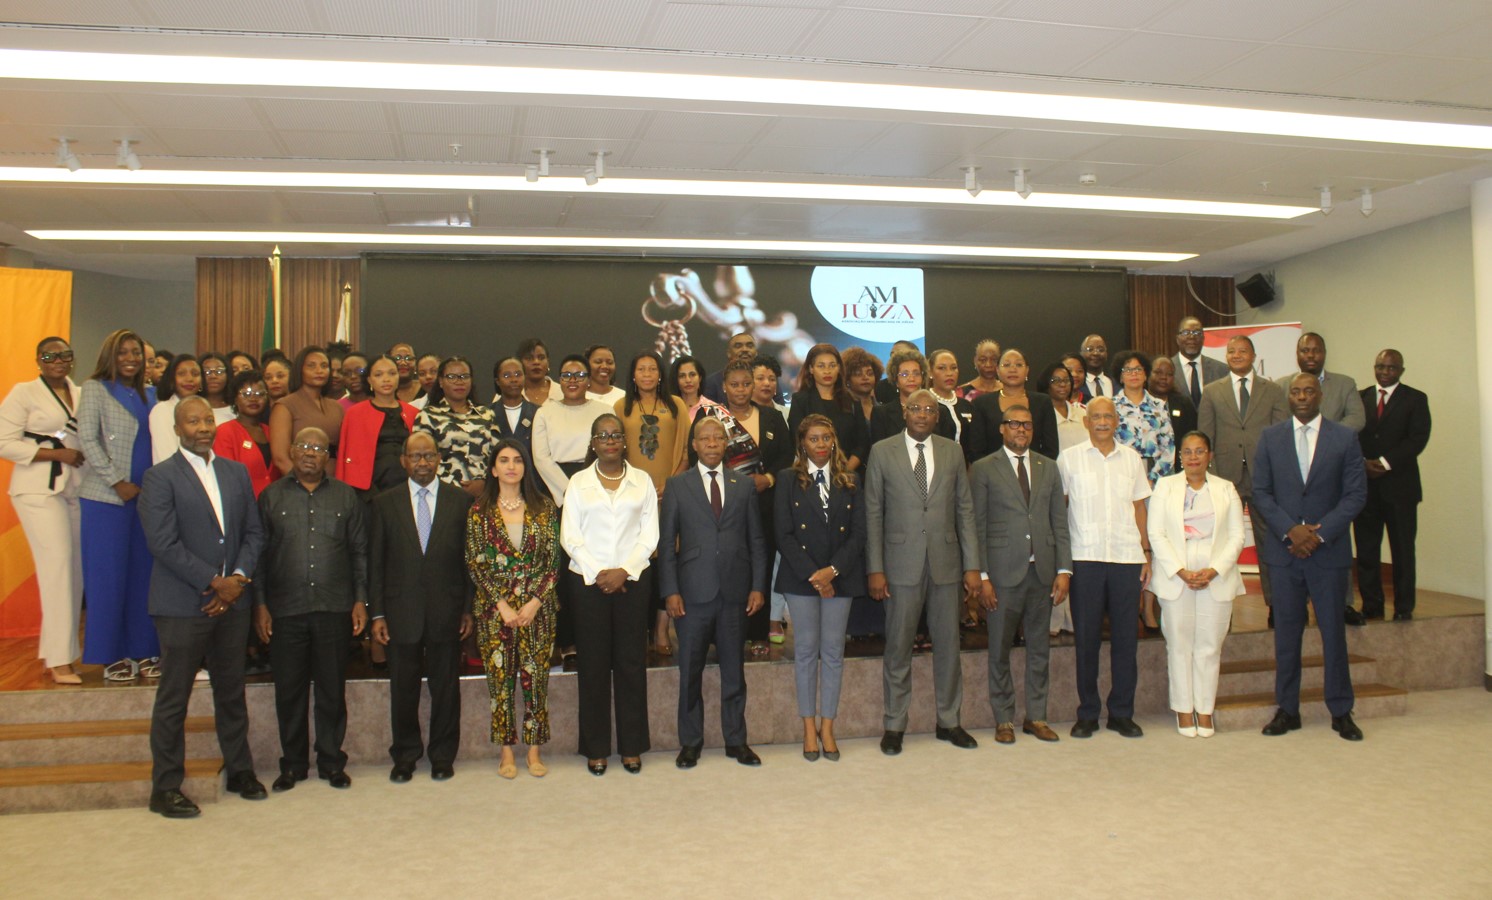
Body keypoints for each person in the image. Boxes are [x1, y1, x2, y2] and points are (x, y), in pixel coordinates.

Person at [139, 397, 267, 817]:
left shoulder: (235, 472)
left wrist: (237, 580)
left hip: (233, 602)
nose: (202, 427)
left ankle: (241, 770)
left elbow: (254, 533)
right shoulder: (159, 478)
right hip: (182, 604)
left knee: (231, 690)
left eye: (208, 419)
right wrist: (214, 583)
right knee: (174, 697)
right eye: (192, 421)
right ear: (178, 429)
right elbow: (163, 543)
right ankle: (166, 787)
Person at [865, 389, 982, 755]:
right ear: (905, 412)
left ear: (937, 416)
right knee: (898, 647)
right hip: (899, 565)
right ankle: (895, 725)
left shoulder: (952, 450)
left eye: (929, 409)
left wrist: (973, 565)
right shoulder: (881, 451)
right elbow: (873, 513)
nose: (922, 414)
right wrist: (876, 568)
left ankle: (950, 721)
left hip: (946, 564)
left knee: (948, 646)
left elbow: (965, 510)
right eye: (915, 408)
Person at [1253, 373, 1368, 741]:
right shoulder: (1270, 438)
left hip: (1327, 552)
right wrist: (1292, 530)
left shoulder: (1344, 438)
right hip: (1285, 553)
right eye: (1296, 392)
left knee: (1334, 634)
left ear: (1320, 396)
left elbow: (1355, 495)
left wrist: (1318, 533)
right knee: (1287, 635)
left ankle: (1341, 710)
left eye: (1308, 391)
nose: (1301, 397)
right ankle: (1288, 709)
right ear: (1289, 397)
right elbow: (1261, 492)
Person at [252, 427, 367, 791]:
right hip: (285, 611)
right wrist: (261, 605)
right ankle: (293, 765)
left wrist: (361, 600)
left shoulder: (347, 498)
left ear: (327, 457)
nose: (310, 453)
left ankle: (332, 762)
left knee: (332, 690)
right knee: (289, 691)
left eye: (318, 448)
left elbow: (359, 553)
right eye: (303, 446)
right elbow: (259, 558)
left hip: (334, 608)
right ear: (291, 450)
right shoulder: (271, 497)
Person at [661, 416, 769, 769]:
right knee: (690, 671)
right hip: (692, 593)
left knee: (734, 672)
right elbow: (666, 545)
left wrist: (757, 586)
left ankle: (736, 741)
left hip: (736, 591)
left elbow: (756, 539)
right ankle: (690, 743)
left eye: (717, 438)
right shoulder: (677, 486)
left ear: (726, 444)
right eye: (704, 438)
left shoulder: (743, 485)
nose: (711, 443)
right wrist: (670, 591)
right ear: (693, 445)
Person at [369, 432, 475, 782]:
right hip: (401, 612)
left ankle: (443, 756)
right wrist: (378, 613)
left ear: (439, 459)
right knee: (403, 688)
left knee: (446, 687)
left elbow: (468, 562)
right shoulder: (385, 503)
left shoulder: (460, 502)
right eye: (415, 457)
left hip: (447, 610)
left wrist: (468, 608)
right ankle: (405, 756)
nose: (423, 463)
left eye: (429, 456)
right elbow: (376, 564)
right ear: (404, 461)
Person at [561, 413, 659, 776]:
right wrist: (599, 573)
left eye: (615, 434)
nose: (610, 440)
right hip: (588, 583)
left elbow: (650, 535)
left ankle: (632, 746)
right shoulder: (578, 482)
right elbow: (570, 536)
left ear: (624, 441)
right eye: (602, 435)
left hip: (632, 582)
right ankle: (596, 747)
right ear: (593, 442)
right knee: (594, 665)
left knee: (632, 663)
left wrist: (624, 571)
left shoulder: (642, 481)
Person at [970, 403, 1071, 745]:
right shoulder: (984, 469)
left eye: (1027, 425)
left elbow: (1059, 521)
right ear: (1002, 428)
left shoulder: (1049, 467)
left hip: (1042, 572)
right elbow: (976, 526)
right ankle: (1004, 720)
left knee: (1040, 649)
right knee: (999, 649)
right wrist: (982, 576)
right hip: (1001, 575)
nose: (1022, 430)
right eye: (1014, 424)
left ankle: (1037, 717)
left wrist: (1063, 569)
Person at [1057, 397, 1152, 739]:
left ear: (1116, 421)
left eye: (1107, 416)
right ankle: (1088, 713)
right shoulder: (1069, 460)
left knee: (1127, 640)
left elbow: (1140, 507)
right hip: (1085, 558)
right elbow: (1059, 511)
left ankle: (1122, 713)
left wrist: (1145, 550)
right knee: (1086, 640)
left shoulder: (1132, 459)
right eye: (1095, 416)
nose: (1101, 422)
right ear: (1086, 422)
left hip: (1127, 558)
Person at [467, 438, 560, 779]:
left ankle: (534, 750)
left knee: (536, 681)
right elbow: (476, 564)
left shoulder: (544, 508)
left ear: (525, 467)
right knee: (500, 682)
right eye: (503, 460)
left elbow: (553, 563)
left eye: (517, 460)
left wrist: (535, 602)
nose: (511, 466)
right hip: (496, 613)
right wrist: (502, 605)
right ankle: (506, 752)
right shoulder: (479, 512)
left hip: (538, 610)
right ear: (493, 469)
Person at [774, 414, 864, 761]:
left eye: (827, 438)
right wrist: (815, 575)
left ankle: (828, 725)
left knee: (833, 654)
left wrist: (832, 571)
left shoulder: (850, 479)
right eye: (814, 439)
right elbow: (783, 533)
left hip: (840, 576)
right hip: (801, 579)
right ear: (802, 444)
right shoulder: (787, 479)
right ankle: (808, 727)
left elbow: (858, 533)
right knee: (806, 652)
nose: (821, 445)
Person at [689, 359, 792, 655]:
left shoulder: (772, 418)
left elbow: (786, 457)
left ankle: (759, 631)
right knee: (724, 566)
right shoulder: (710, 418)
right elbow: (695, 454)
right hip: (720, 506)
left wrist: (769, 478)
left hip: (763, 505)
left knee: (760, 564)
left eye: (747, 384)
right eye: (734, 384)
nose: (741, 390)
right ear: (724, 387)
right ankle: (719, 634)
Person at [1147, 431, 1245, 738]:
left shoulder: (1226, 488)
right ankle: (1184, 708)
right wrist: (1180, 570)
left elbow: (1237, 536)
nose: (1193, 457)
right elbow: (1156, 533)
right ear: (1180, 457)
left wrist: (1214, 570)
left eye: (1199, 451)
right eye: (1187, 452)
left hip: (1216, 576)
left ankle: (1205, 708)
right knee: (1179, 645)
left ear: (1209, 455)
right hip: (1177, 576)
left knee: (1209, 645)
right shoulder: (1166, 486)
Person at [0, 337, 86, 684]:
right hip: (37, 488)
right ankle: (58, 659)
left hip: (74, 486)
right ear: (38, 360)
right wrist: (55, 455)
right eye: (50, 355)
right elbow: (3, 441)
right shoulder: (24, 392)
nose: (58, 361)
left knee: (74, 570)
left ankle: (62, 652)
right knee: (58, 565)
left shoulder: (80, 392)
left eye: (65, 355)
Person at [77, 329, 159, 682]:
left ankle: (144, 650)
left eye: (136, 353)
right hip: (107, 499)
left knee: (144, 577)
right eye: (123, 352)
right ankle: (111, 655)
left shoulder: (152, 394)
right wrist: (116, 481)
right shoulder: (95, 388)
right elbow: (87, 439)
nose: (131, 358)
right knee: (108, 578)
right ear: (110, 355)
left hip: (146, 499)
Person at [1197, 336, 1289, 612]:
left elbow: (1281, 434)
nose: (1236, 355)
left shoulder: (1272, 390)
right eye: (1231, 351)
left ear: (1253, 355)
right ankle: (1220, 608)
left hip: (1264, 477)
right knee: (1221, 543)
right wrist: (1209, 474)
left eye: (1242, 351)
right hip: (1225, 477)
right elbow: (1205, 436)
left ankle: (1277, 605)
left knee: (1269, 542)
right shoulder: (1212, 391)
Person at [1353, 349, 1431, 623]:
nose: (1385, 372)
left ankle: (1403, 607)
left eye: (1391, 368)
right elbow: (1350, 434)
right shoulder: (1360, 397)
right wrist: (1363, 463)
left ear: (1401, 370)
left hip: (1400, 489)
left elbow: (1417, 439)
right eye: (1380, 367)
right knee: (1366, 550)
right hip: (1365, 487)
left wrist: (1384, 463)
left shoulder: (1416, 399)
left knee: (1402, 551)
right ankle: (1372, 605)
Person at [415, 356, 499, 500]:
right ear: (441, 382)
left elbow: (497, 455)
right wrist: (455, 486)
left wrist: (485, 483)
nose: (459, 382)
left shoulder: (487, 415)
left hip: (484, 495)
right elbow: (422, 458)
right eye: (452, 377)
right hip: (443, 494)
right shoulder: (427, 416)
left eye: (464, 376)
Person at [338, 355, 419, 496]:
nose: (386, 379)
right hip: (367, 491)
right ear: (369, 380)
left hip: (409, 489)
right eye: (378, 374)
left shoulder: (414, 413)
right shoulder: (355, 413)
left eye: (392, 373)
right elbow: (346, 457)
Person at [789, 343, 870, 472]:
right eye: (821, 366)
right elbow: (797, 441)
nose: (827, 371)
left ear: (839, 368)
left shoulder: (852, 401)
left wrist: (845, 471)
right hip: (812, 473)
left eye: (832, 365)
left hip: (848, 474)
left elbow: (862, 444)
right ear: (811, 369)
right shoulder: (801, 400)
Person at [968, 348, 1060, 461]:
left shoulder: (1042, 402)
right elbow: (976, 450)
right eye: (1006, 365)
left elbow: (1051, 448)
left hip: (1035, 472)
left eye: (1019, 364)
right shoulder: (981, 403)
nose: (1012, 369)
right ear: (997, 370)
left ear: (1027, 370)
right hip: (993, 473)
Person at [269, 346, 343, 477]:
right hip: (298, 486)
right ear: (299, 370)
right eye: (311, 366)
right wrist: (304, 486)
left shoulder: (336, 407)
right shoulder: (285, 405)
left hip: (334, 484)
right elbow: (280, 458)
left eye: (324, 366)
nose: (319, 371)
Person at [1274, 333, 1364, 432]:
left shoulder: (1345, 384)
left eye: (1316, 351)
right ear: (1297, 354)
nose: (1311, 355)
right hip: (1292, 444)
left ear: (1324, 353)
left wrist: (1326, 436)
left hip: (1333, 444)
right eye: (1305, 351)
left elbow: (1356, 419)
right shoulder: (1280, 386)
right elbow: (1276, 421)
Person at [1111, 350, 1176, 487]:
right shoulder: (1111, 407)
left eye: (1138, 369)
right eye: (1128, 370)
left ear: (1146, 375)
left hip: (1156, 474)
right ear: (1121, 377)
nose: (1134, 373)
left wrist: (1153, 478)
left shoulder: (1159, 406)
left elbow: (1168, 447)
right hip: (1121, 473)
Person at [212, 370, 276, 498]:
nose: (253, 398)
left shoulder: (271, 431)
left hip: (275, 506)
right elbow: (225, 477)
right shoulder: (224, 432)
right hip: (243, 504)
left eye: (260, 394)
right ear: (235, 398)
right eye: (246, 394)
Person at [147, 354, 201, 464]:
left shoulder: (205, 411)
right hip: (173, 478)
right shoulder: (162, 411)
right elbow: (166, 458)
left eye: (195, 374)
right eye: (182, 374)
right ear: (171, 380)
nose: (189, 379)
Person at [1148, 357, 1197, 470]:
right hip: (1147, 467)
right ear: (1148, 374)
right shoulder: (1140, 403)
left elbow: (1192, 437)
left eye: (1169, 374)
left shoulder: (1183, 404)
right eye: (1158, 372)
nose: (1164, 378)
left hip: (1177, 468)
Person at [927, 348, 976, 461]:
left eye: (953, 368)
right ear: (930, 372)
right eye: (942, 368)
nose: (949, 373)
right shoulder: (925, 405)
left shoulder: (967, 406)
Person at [1172, 316, 1228, 407]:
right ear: (1178, 339)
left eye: (1197, 332)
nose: (1192, 337)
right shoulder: (1167, 370)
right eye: (1186, 332)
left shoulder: (1222, 370)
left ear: (1203, 339)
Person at [490, 357, 538, 456]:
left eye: (518, 374)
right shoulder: (486, 414)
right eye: (507, 375)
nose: (514, 380)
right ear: (497, 381)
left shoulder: (538, 413)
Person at [1036, 361, 1087, 452]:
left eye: (1066, 380)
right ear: (1046, 384)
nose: (1062, 384)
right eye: (1056, 381)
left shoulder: (1082, 412)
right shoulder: (1040, 415)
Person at [701, 330, 757, 405]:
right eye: (738, 346)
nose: (745, 349)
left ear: (756, 353)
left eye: (749, 346)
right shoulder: (712, 383)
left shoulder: (767, 381)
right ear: (729, 353)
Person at [671, 354, 719, 423]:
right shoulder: (669, 407)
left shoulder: (713, 408)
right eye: (682, 376)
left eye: (692, 375)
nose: (688, 380)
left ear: (700, 378)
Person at [841, 346, 882, 427]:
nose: (865, 377)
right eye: (858, 374)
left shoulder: (882, 409)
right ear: (847, 379)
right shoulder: (843, 409)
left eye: (870, 373)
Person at [517, 337, 563, 405]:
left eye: (541, 358)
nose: (536, 362)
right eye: (529, 358)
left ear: (548, 362)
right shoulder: (508, 395)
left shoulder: (562, 392)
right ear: (520, 363)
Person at [198, 352, 235, 425]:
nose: (213, 376)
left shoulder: (237, 409)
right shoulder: (190, 407)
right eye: (207, 372)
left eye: (219, 371)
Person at [1076, 334, 1112, 402]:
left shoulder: (1117, 384)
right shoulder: (1076, 385)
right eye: (1090, 349)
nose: (1095, 353)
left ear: (1106, 353)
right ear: (1081, 353)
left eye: (1100, 350)